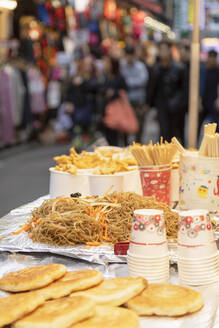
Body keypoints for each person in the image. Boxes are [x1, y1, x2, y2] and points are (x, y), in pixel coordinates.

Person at [148, 41, 186, 144]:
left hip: (176, 108)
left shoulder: (179, 68)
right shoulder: (156, 69)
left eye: (165, 50)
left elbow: (184, 89)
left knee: (176, 133)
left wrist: (177, 102)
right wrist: (149, 103)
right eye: (161, 50)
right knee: (163, 133)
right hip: (161, 105)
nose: (163, 53)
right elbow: (152, 88)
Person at [121, 45, 148, 143]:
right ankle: (125, 147)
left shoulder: (140, 66)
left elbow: (143, 80)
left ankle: (138, 146)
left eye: (130, 56)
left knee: (139, 127)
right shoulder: (122, 65)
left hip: (138, 101)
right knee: (125, 127)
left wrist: (128, 82)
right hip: (126, 102)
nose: (128, 58)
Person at [101, 56, 127, 146]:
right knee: (109, 134)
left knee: (119, 135)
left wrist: (114, 93)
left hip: (118, 109)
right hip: (107, 110)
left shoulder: (119, 77)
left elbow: (124, 90)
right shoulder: (104, 77)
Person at [201, 50, 219, 129]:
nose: (212, 59)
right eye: (210, 57)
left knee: (216, 125)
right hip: (203, 100)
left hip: (213, 101)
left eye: (213, 57)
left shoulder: (217, 70)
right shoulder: (203, 69)